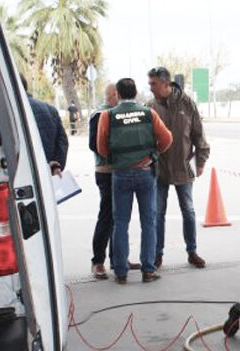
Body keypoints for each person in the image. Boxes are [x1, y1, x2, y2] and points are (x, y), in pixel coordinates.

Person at [97, 78, 173, 284]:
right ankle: (148, 270)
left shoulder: (108, 115)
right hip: (145, 173)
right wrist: (153, 155)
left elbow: (101, 147)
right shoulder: (148, 114)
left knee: (120, 223)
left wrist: (117, 158)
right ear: (136, 93)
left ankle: (121, 273)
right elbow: (167, 139)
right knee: (149, 222)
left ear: (118, 94)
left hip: (120, 174)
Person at [147, 67, 210, 270]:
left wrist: (200, 161)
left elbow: (198, 134)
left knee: (189, 211)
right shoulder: (149, 106)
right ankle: (157, 254)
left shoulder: (186, 103)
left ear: (166, 84)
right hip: (160, 169)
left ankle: (192, 252)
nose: (150, 88)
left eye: (153, 84)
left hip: (185, 166)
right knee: (157, 213)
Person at [88, 84, 140, 279]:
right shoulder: (99, 115)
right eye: (116, 95)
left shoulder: (119, 114)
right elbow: (94, 144)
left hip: (122, 170)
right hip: (106, 171)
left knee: (121, 217)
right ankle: (98, 261)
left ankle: (118, 258)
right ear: (112, 95)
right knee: (107, 216)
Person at [21, 74, 67, 176]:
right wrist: (56, 165)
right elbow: (62, 141)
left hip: (25, 175)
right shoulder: (50, 109)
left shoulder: (12, 111)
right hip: (48, 174)